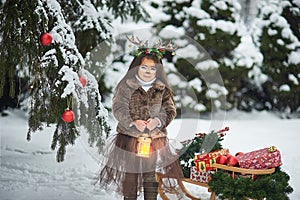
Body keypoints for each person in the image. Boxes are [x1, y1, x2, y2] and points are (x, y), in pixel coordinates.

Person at [97, 39, 183, 200]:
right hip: (130, 137)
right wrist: (133, 120)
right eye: (144, 67)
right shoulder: (126, 85)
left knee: (150, 174)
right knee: (130, 174)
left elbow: (170, 109)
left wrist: (157, 121)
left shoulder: (161, 88)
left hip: (154, 139)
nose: (148, 71)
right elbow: (118, 107)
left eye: (152, 68)